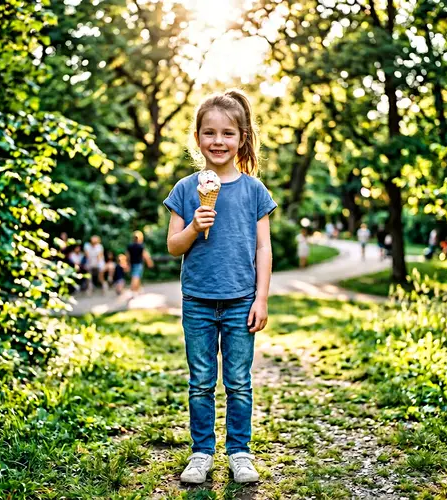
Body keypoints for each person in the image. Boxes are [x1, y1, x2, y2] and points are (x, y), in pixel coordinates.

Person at [163, 89, 277, 485]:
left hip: (240, 299)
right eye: (209, 133)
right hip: (197, 299)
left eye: (228, 133)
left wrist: (261, 297)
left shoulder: (254, 190)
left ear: (242, 138)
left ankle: (240, 452)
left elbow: (264, 247)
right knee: (200, 381)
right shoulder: (185, 188)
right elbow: (173, 244)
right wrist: (194, 226)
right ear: (198, 138)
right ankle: (201, 452)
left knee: (239, 382)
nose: (218, 141)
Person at [127, 230, 154, 295]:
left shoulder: (130, 246)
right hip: (138, 264)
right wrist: (150, 262)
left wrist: (128, 264)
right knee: (136, 277)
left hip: (132, 263)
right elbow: (145, 255)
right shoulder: (141, 246)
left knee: (136, 276)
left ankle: (138, 289)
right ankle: (132, 290)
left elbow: (128, 256)